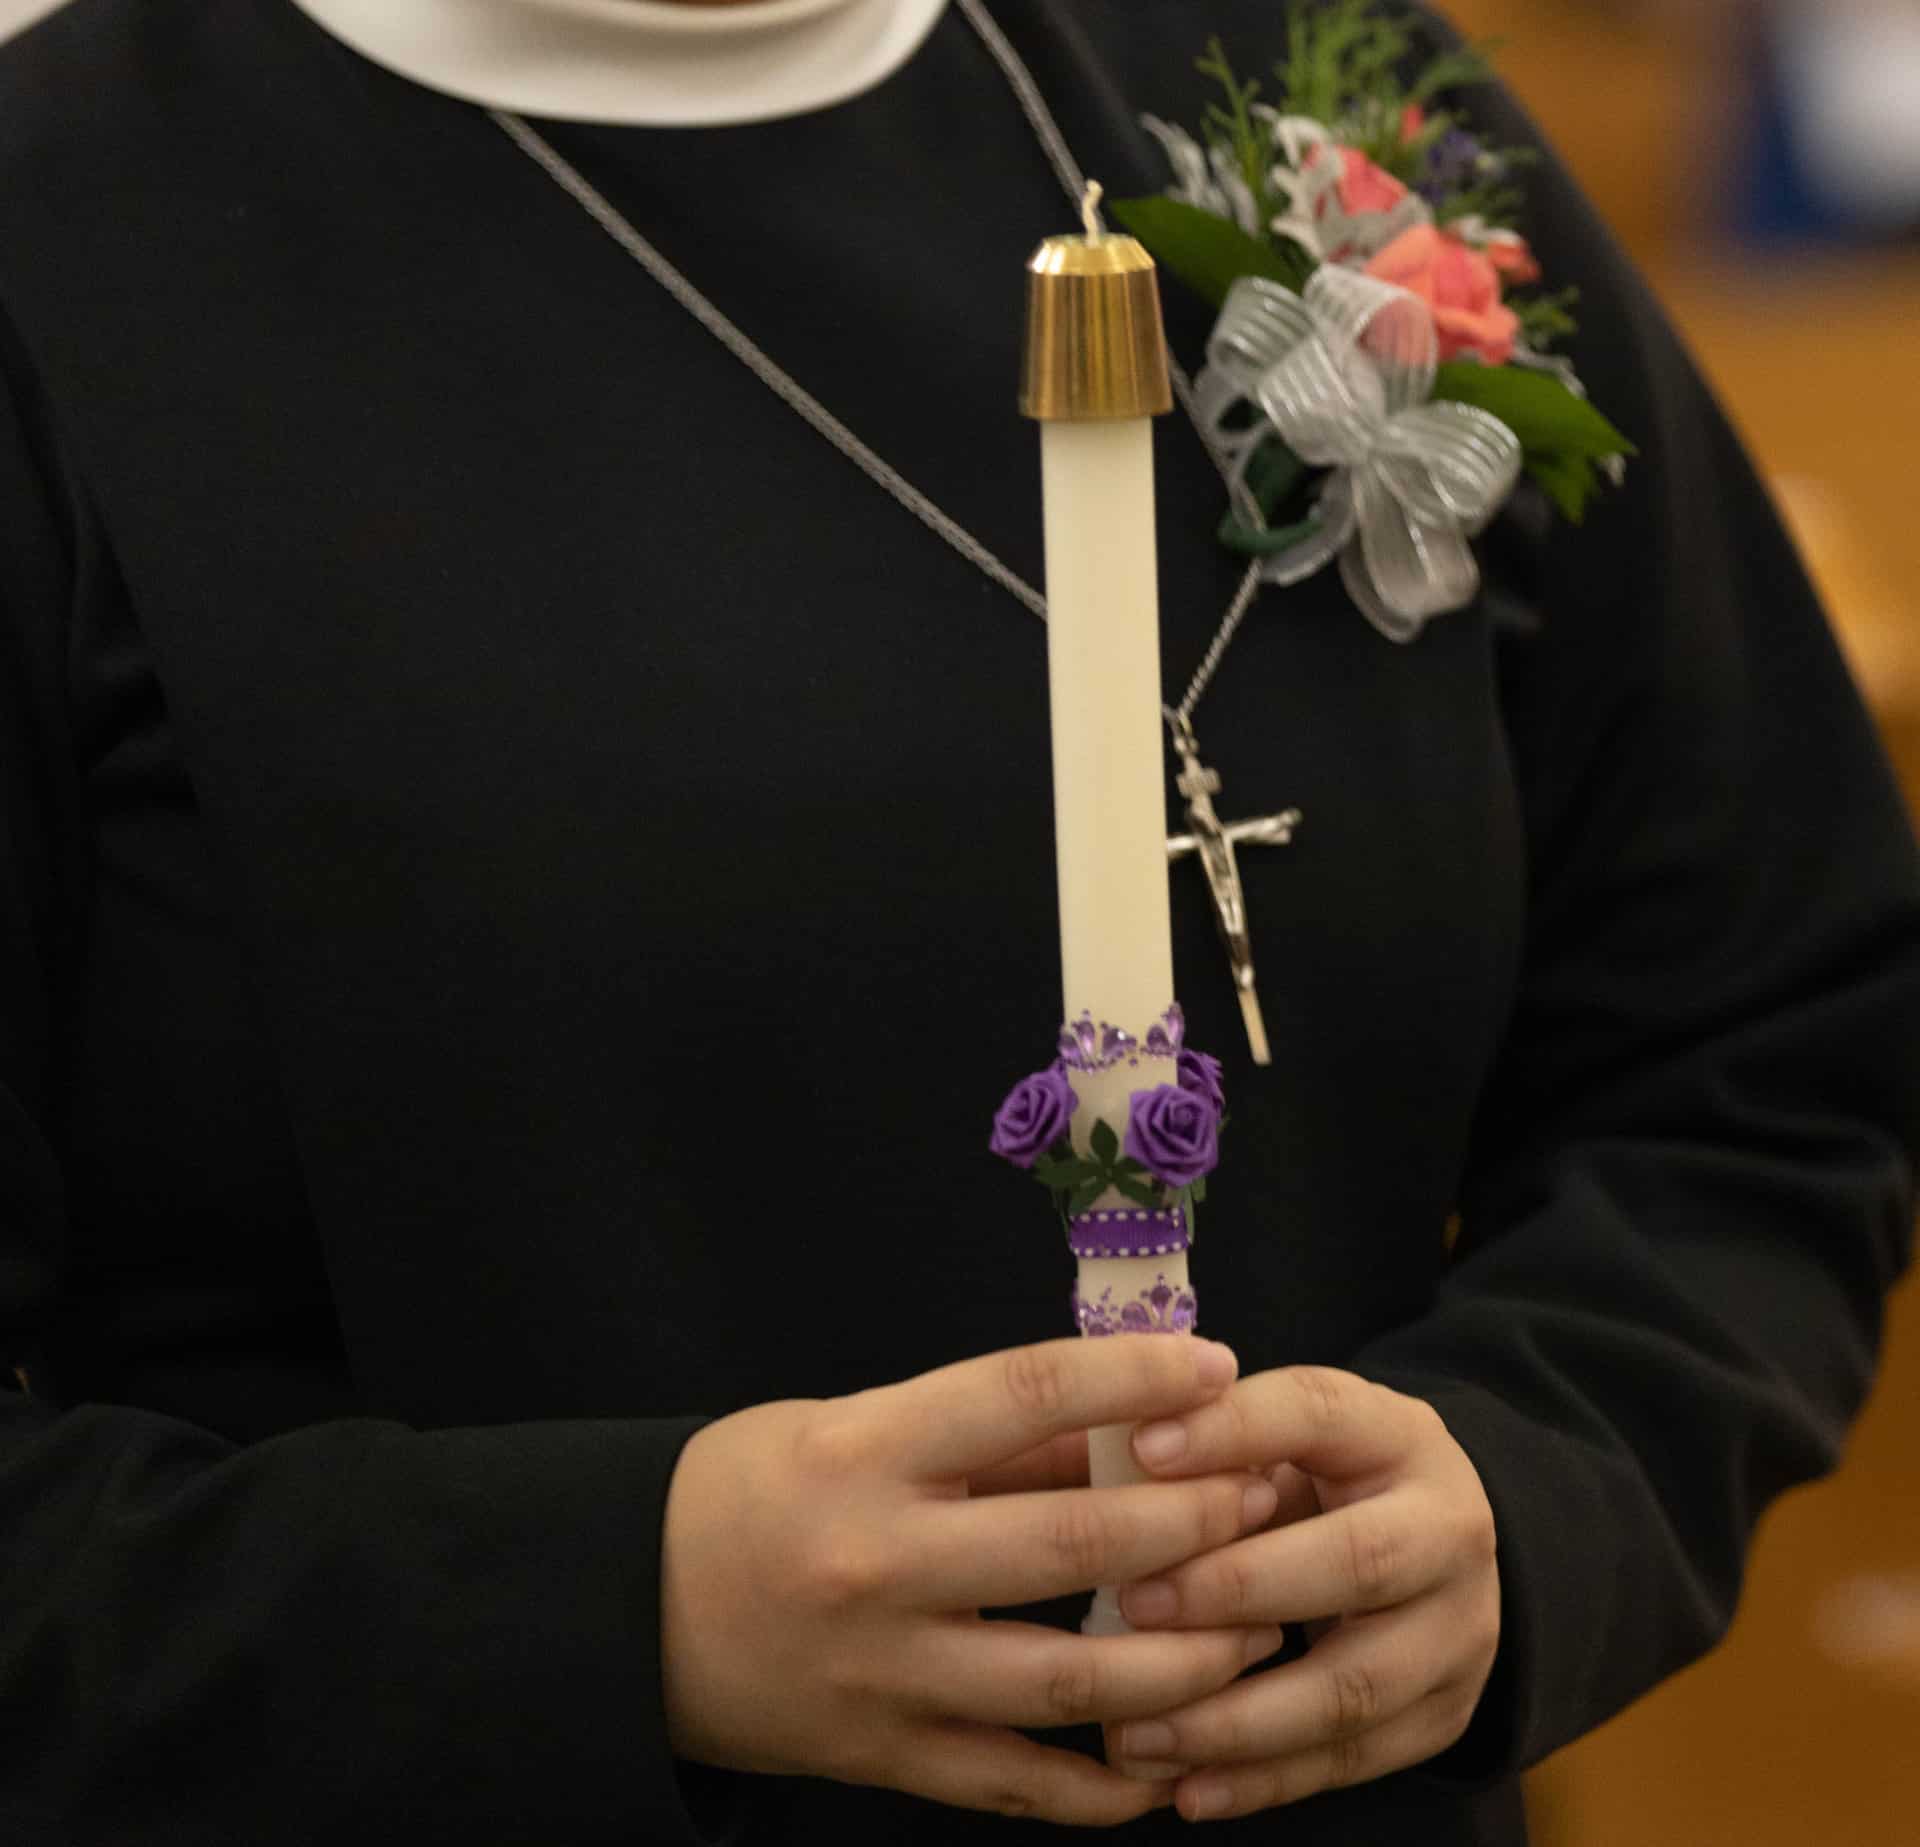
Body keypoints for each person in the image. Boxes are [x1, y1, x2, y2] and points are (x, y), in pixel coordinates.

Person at [0, 1, 1914, 1841]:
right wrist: (607, 1612)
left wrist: (1533, 1481)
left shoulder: (1325, 99)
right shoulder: (65, 230)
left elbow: (1765, 1040)